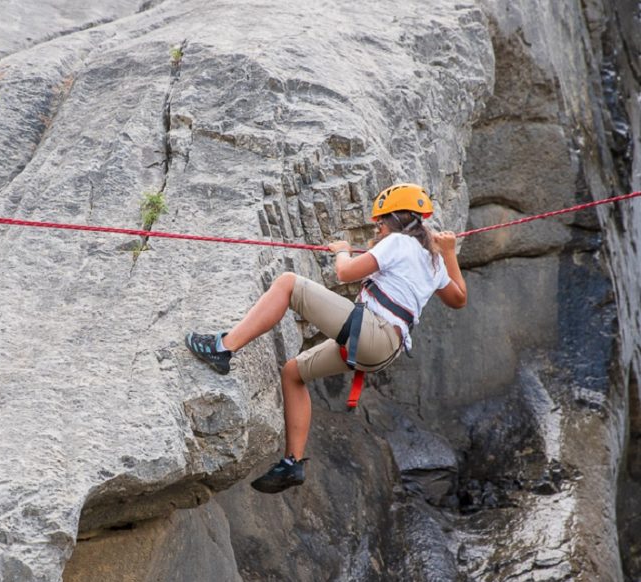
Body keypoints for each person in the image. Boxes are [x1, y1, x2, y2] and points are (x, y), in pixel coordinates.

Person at [185, 183, 468, 493]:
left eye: (381, 221)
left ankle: (222, 348)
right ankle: (292, 463)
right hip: (384, 348)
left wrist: (343, 251)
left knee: (288, 283)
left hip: (372, 334)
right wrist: (450, 253)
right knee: (293, 372)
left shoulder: (398, 243)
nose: (378, 227)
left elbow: (345, 273)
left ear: (397, 219)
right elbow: (458, 298)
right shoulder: (434, 260)